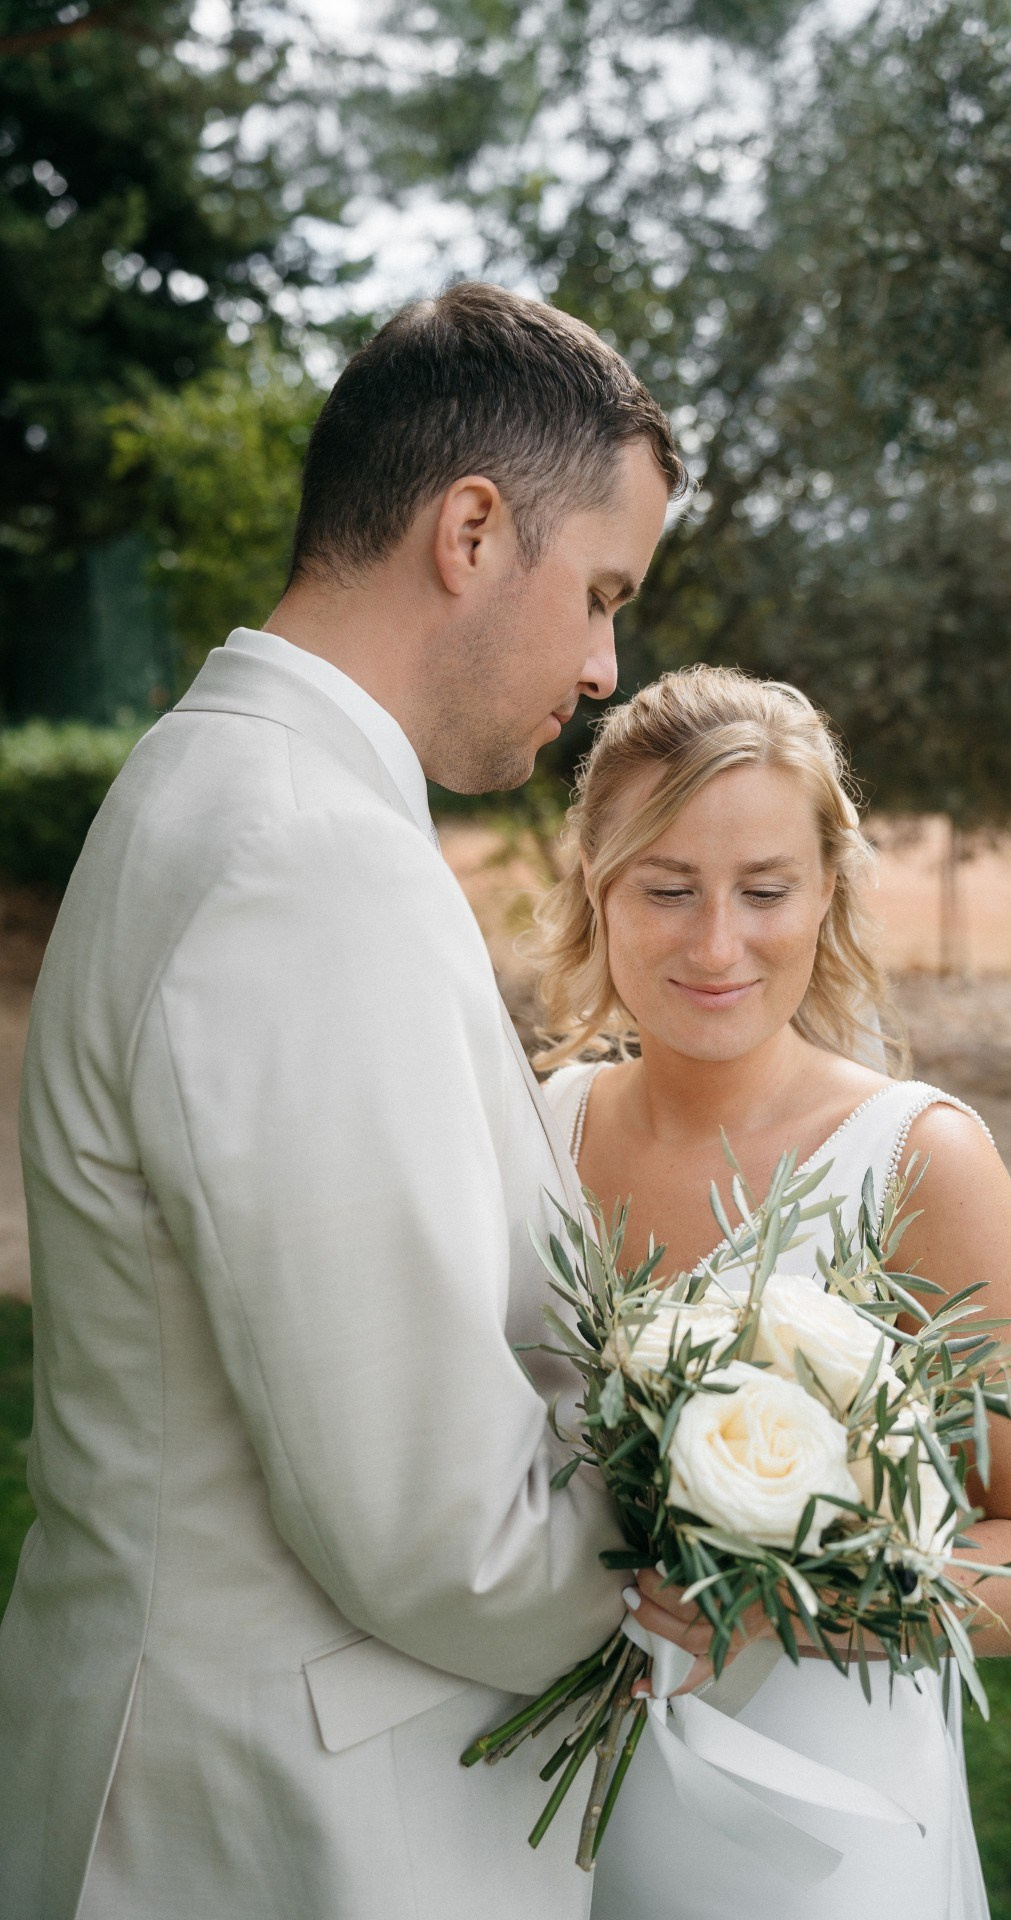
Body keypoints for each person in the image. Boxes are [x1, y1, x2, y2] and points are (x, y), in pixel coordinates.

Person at [0, 284, 697, 1920]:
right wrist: (708, 1556)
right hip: (268, 1824)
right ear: (471, 531)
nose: (606, 667)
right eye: (599, 594)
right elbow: (427, 1522)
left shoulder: (230, 782)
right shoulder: (301, 853)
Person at [532, 666, 1011, 1920]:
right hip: (548, 1810)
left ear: (826, 894)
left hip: (826, 1827)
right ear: (596, 883)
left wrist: (795, 1604)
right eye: (666, 887)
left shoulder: (918, 1159)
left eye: (762, 890)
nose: (714, 944)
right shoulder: (541, 1128)